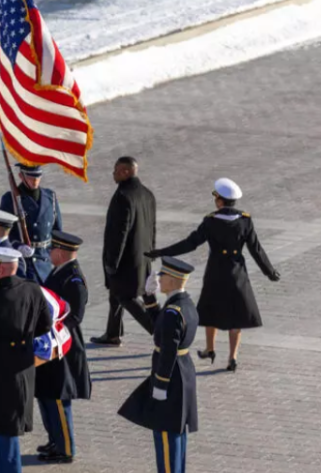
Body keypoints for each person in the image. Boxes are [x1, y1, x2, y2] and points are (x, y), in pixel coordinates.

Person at [146, 178, 280, 372]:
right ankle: (232, 357)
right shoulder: (245, 220)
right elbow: (256, 249)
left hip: (216, 272)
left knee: (211, 311)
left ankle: (210, 349)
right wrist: (270, 272)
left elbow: (190, 243)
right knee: (237, 314)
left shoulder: (211, 221)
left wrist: (161, 252)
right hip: (237, 274)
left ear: (219, 200)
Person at [0, 247, 53, 473]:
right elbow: (45, 325)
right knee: (7, 423)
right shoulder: (33, 290)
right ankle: (0, 460)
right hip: (21, 368)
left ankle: (8, 467)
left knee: (3, 428)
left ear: (1, 268)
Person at [118, 257, 199, 473]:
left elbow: (167, 352)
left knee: (166, 434)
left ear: (172, 280)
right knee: (177, 432)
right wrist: (149, 297)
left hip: (170, 377)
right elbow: (159, 326)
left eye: (163, 276)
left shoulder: (174, 312)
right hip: (183, 373)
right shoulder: (184, 305)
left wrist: (161, 385)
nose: (159, 279)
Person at [35, 231, 91, 464]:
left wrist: (51, 331)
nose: (48, 254)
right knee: (46, 394)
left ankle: (66, 448)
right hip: (51, 344)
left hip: (63, 348)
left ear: (59, 252)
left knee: (58, 398)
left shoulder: (74, 279)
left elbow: (74, 316)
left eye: (51, 250)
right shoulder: (60, 273)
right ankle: (54, 439)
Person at [92, 156, 157, 346]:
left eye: (116, 170)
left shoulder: (123, 196)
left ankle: (159, 331)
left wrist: (111, 262)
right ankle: (112, 334)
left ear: (126, 172)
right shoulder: (147, 194)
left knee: (125, 296)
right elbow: (152, 226)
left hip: (126, 260)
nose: (113, 173)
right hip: (143, 257)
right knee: (116, 294)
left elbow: (118, 233)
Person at [0, 164, 62, 282]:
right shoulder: (10, 199)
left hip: (45, 262)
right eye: (31, 177)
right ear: (21, 176)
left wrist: (57, 256)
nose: (35, 181)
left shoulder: (50, 197)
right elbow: (2, 233)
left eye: (38, 177)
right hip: (23, 265)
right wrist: (17, 245)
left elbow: (57, 231)